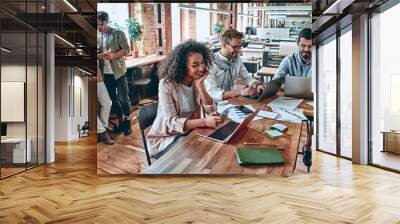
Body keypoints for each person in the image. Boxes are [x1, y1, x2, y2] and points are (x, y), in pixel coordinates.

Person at [147, 40, 222, 157]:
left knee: (212, 149)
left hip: (189, 132)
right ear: (182, 66)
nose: (202, 68)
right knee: (197, 155)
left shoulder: (195, 80)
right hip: (166, 138)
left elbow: (212, 111)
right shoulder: (167, 84)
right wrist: (204, 121)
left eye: (202, 63)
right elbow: (172, 123)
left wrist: (200, 85)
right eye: (195, 65)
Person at [205, 28, 264, 102]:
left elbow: (247, 77)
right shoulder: (211, 63)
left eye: (240, 46)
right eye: (235, 47)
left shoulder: (237, 60)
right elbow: (212, 94)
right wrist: (240, 92)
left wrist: (257, 85)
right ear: (224, 45)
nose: (238, 50)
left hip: (231, 100)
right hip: (214, 104)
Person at [97, 11, 132, 135]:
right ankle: (121, 120)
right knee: (113, 99)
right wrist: (99, 56)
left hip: (119, 72)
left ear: (107, 22)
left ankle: (128, 123)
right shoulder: (98, 36)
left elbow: (127, 50)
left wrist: (114, 55)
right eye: (97, 25)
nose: (99, 27)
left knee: (123, 98)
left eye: (101, 24)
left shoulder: (118, 33)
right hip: (105, 74)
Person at [97, 63, 114, 145]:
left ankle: (103, 128)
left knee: (108, 102)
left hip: (98, 77)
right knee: (89, 107)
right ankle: (103, 132)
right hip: (85, 74)